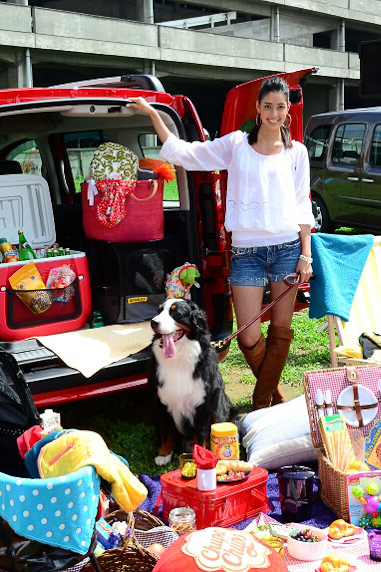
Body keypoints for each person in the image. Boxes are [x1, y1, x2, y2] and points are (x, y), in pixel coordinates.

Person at [128, 76, 314, 410]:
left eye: (280, 108)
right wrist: (152, 115)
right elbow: (187, 154)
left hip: (288, 250)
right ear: (257, 108)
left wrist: (306, 255)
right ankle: (274, 398)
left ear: (288, 112)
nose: (274, 113)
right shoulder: (236, 145)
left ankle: (263, 404)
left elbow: (303, 204)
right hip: (246, 253)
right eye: (268, 106)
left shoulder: (296, 152)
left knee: (281, 330)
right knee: (248, 336)